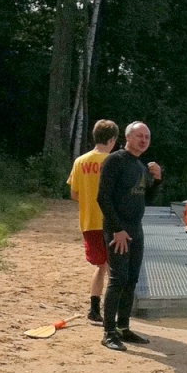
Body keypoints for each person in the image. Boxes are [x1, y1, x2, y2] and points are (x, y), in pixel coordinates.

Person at [96, 121, 162, 351]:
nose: (143, 140)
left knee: (132, 279)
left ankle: (124, 327)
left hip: (136, 229)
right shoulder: (115, 160)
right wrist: (117, 229)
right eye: (139, 136)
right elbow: (103, 197)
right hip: (117, 230)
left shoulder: (141, 166)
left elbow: (148, 199)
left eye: (147, 137)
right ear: (127, 137)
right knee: (118, 279)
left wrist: (158, 180)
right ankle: (108, 332)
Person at [67, 119, 119, 325]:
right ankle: (112, 309)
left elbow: (74, 194)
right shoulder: (114, 161)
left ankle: (94, 308)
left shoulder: (80, 161)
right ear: (113, 139)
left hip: (89, 221)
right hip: (111, 222)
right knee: (113, 269)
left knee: (101, 266)